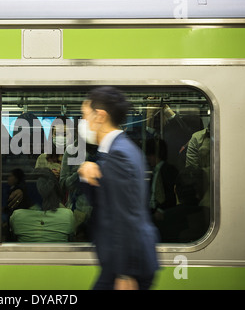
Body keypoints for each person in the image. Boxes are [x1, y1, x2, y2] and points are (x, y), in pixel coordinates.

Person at [77, 86, 159, 290]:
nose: (83, 122)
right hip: (122, 261)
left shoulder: (119, 156)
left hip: (127, 266)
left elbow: (125, 215)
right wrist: (87, 177)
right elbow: (107, 203)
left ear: (100, 117)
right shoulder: (119, 151)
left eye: (85, 115)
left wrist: (125, 273)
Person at [9, 168, 74, 242]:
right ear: (55, 189)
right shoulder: (68, 215)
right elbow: (71, 241)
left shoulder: (17, 216)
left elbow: (13, 240)